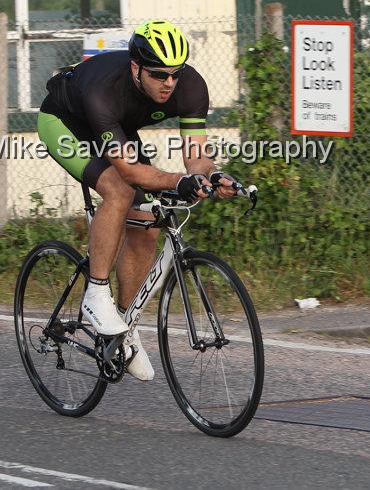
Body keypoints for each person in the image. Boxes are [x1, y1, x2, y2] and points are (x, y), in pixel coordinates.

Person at [37, 19, 238, 381]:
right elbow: (129, 171)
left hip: (115, 127)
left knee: (147, 223)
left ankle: (123, 329)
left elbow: (196, 156)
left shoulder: (189, 87)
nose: (169, 84)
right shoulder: (104, 88)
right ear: (136, 67)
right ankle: (96, 296)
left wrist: (211, 175)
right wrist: (180, 181)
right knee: (120, 189)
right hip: (66, 122)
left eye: (175, 74)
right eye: (160, 75)